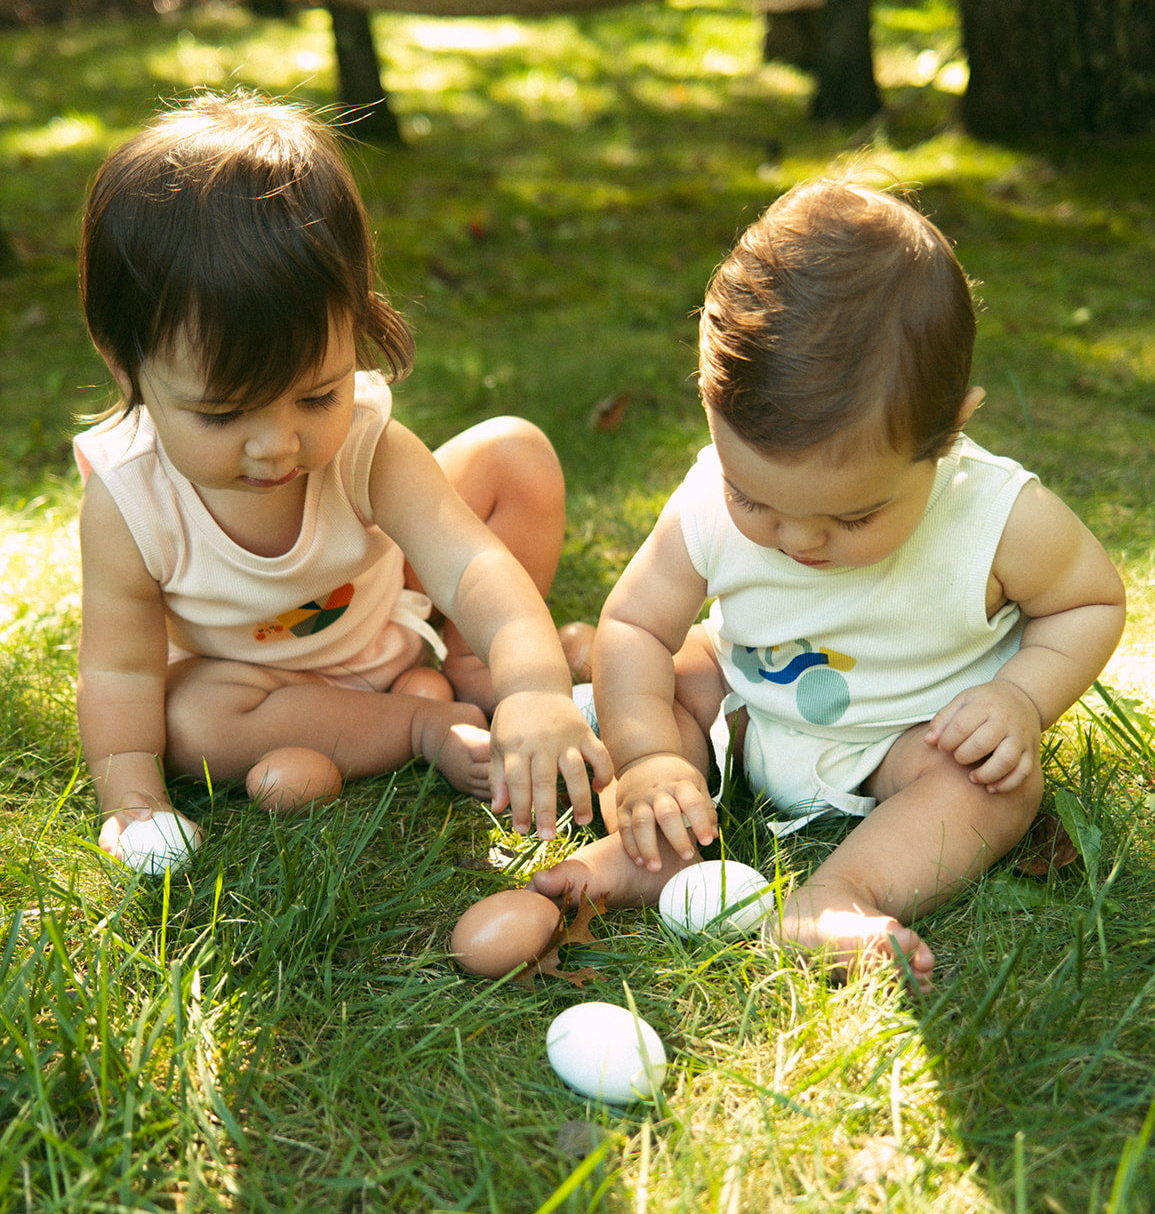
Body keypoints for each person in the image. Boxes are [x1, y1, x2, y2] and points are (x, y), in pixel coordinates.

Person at [532, 178, 1125, 991]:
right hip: (742, 705)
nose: (797, 538)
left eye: (851, 518)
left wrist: (1022, 698)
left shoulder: (998, 517)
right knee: (674, 681)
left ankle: (842, 893)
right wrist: (643, 757)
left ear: (947, 432)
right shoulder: (707, 499)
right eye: (755, 499)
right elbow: (634, 624)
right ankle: (656, 847)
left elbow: (1087, 600)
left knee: (993, 789)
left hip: (905, 740)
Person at [75, 92, 611, 865]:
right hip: (257, 688)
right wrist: (133, 800)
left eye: (317, 395)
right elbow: (119, 669)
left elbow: (469, 564)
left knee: (512, 453)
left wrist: (532, 682)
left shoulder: (363, 444)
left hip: (390, 620)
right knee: (190, 725)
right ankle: (421, 726)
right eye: (224, 416)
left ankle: (465, 665)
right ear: (127, 366)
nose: (276, 446)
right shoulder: (129, 500)